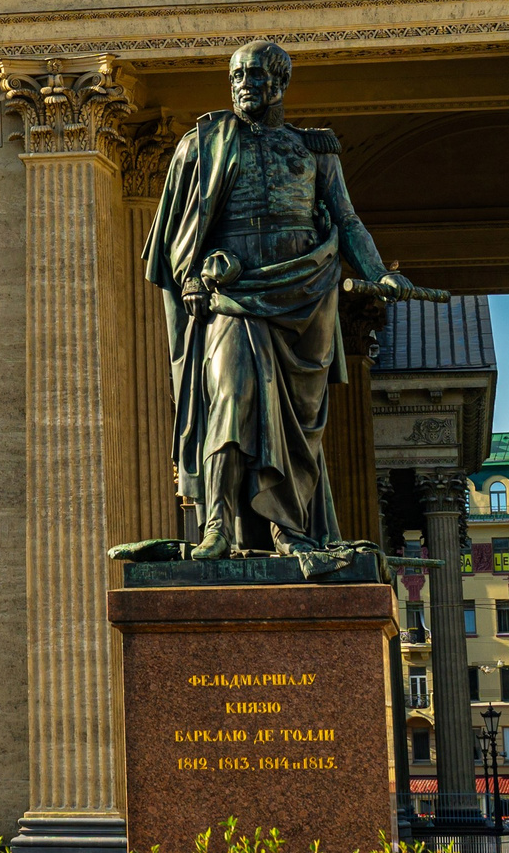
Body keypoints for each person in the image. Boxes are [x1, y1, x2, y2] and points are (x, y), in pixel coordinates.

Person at [140, 40, 416, 561]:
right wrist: (191, 274)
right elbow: (176, 231)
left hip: (303, 299)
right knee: (230, 396)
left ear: (280, 82)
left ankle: (288, 530)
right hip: (234, 297)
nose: (244, 85)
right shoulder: (203, 144)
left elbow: (346, 218)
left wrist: (378, 272)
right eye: (237, 76)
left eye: (255, 75)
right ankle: (217, 526)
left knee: (295, 431)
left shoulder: (315, 150)